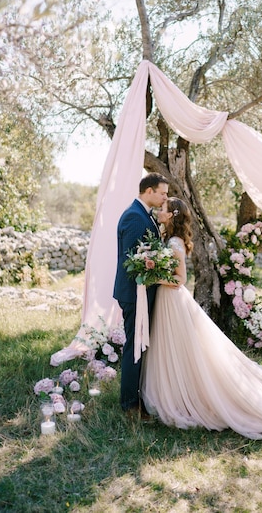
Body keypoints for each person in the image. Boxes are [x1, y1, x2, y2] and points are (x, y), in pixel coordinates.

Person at [140, 197, 262, 440]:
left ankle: (186, 394)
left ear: (172, 215)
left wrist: (153, 276)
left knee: (182, 349)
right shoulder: (168, 238)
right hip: (167, 300)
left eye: (163, 209)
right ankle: (173, 389)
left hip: (172, 298)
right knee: (172, 348)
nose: (159, 210)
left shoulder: (174, 242)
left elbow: (180, 279)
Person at [113, 172, 169, 418]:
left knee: (139, 345)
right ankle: (129, 405)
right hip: (135, 293)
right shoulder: (135, 217)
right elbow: (133, 262)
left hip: (142, 291)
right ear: (149, 191)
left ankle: (137, 396)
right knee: (134, 347)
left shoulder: (144, 215)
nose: (166, 197)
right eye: (162, 193)